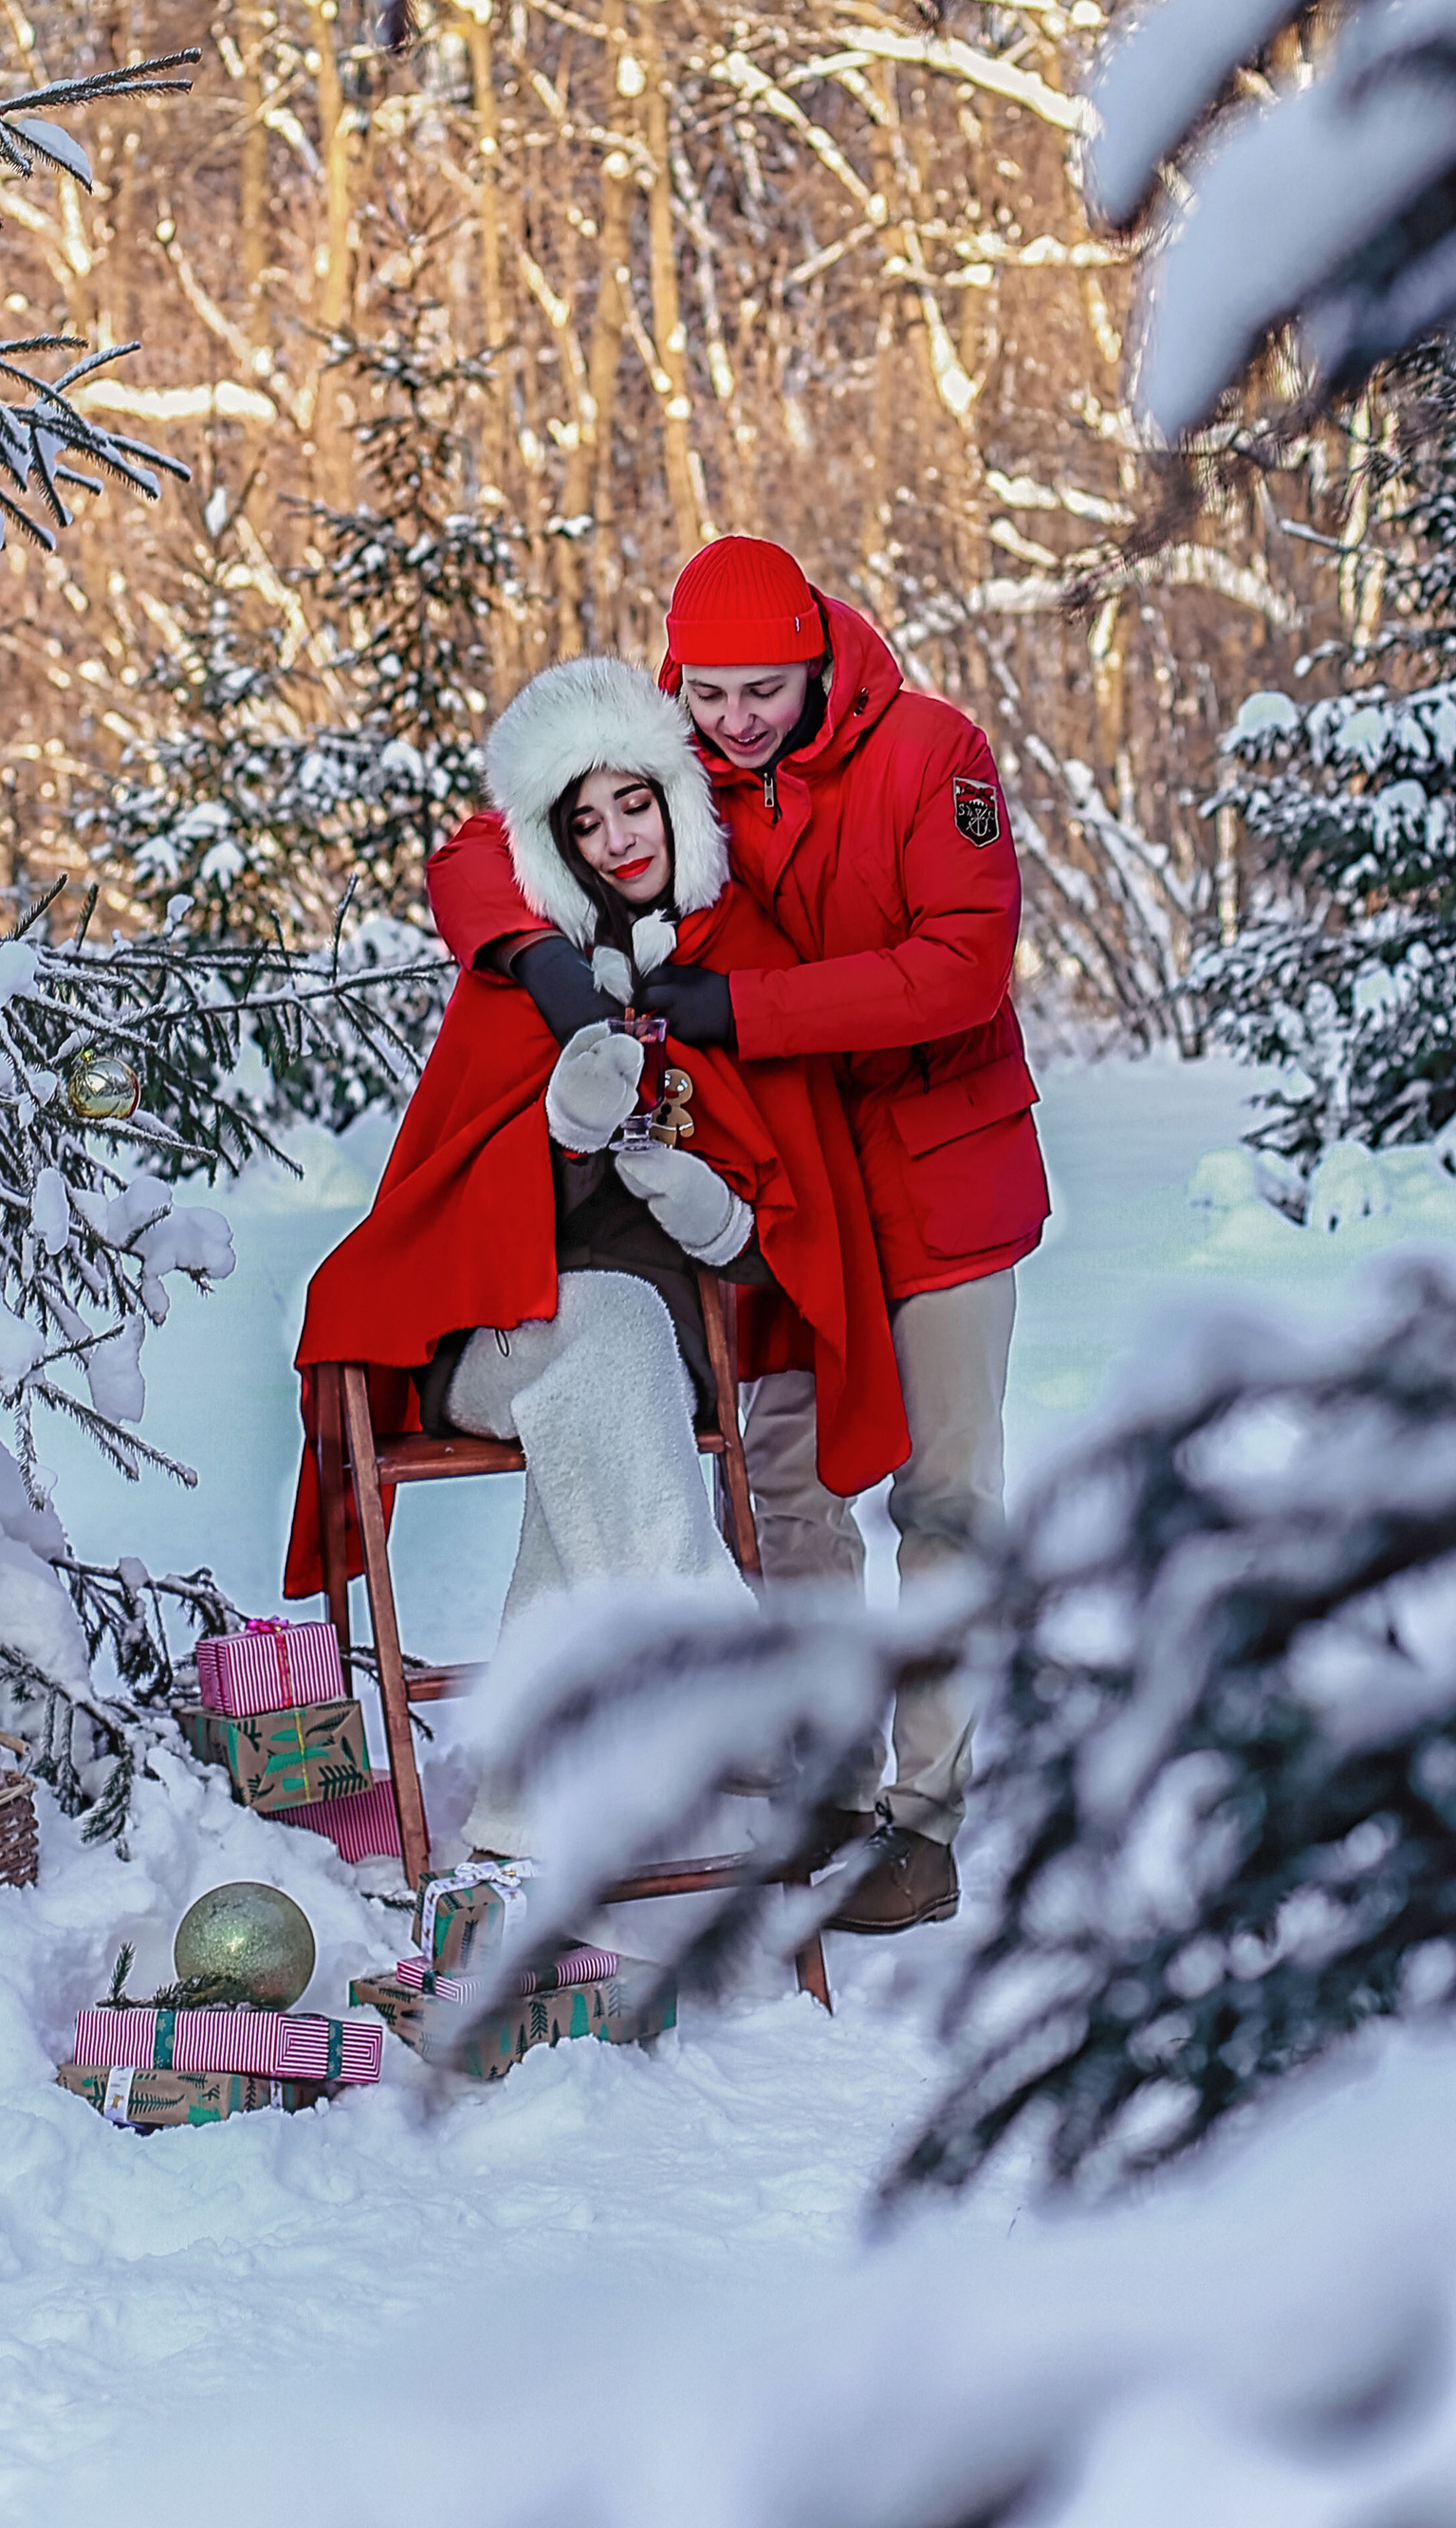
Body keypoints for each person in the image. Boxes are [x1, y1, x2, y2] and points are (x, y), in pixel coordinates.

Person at [427, 538, 1048, 1930]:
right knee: (785, 1498)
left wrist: (744, 1015)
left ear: (821, 657)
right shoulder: (678, 746)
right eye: (709, 694)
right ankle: (819, 1778)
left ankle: (927, 1816)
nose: (736, 721)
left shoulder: (931, 753)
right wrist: (533, 958)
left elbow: (961, 969)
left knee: (942, 1500)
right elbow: (494, 837)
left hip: (935, 1181)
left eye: (765, 690)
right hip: (782, 1194)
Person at [284, 655, 906, 1852]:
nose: (618, 837)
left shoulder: (734, 964)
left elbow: (794, 1238)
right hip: (490, 1341)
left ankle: (521, 1805)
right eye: (585, 819)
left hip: (643, 1364)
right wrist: (562, 1137)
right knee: (604, 1336)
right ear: (554, 843)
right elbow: (460, 1203)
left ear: (678, 800)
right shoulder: (523, 978)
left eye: (636, 802)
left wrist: (717, 1218)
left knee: (605, 1384)